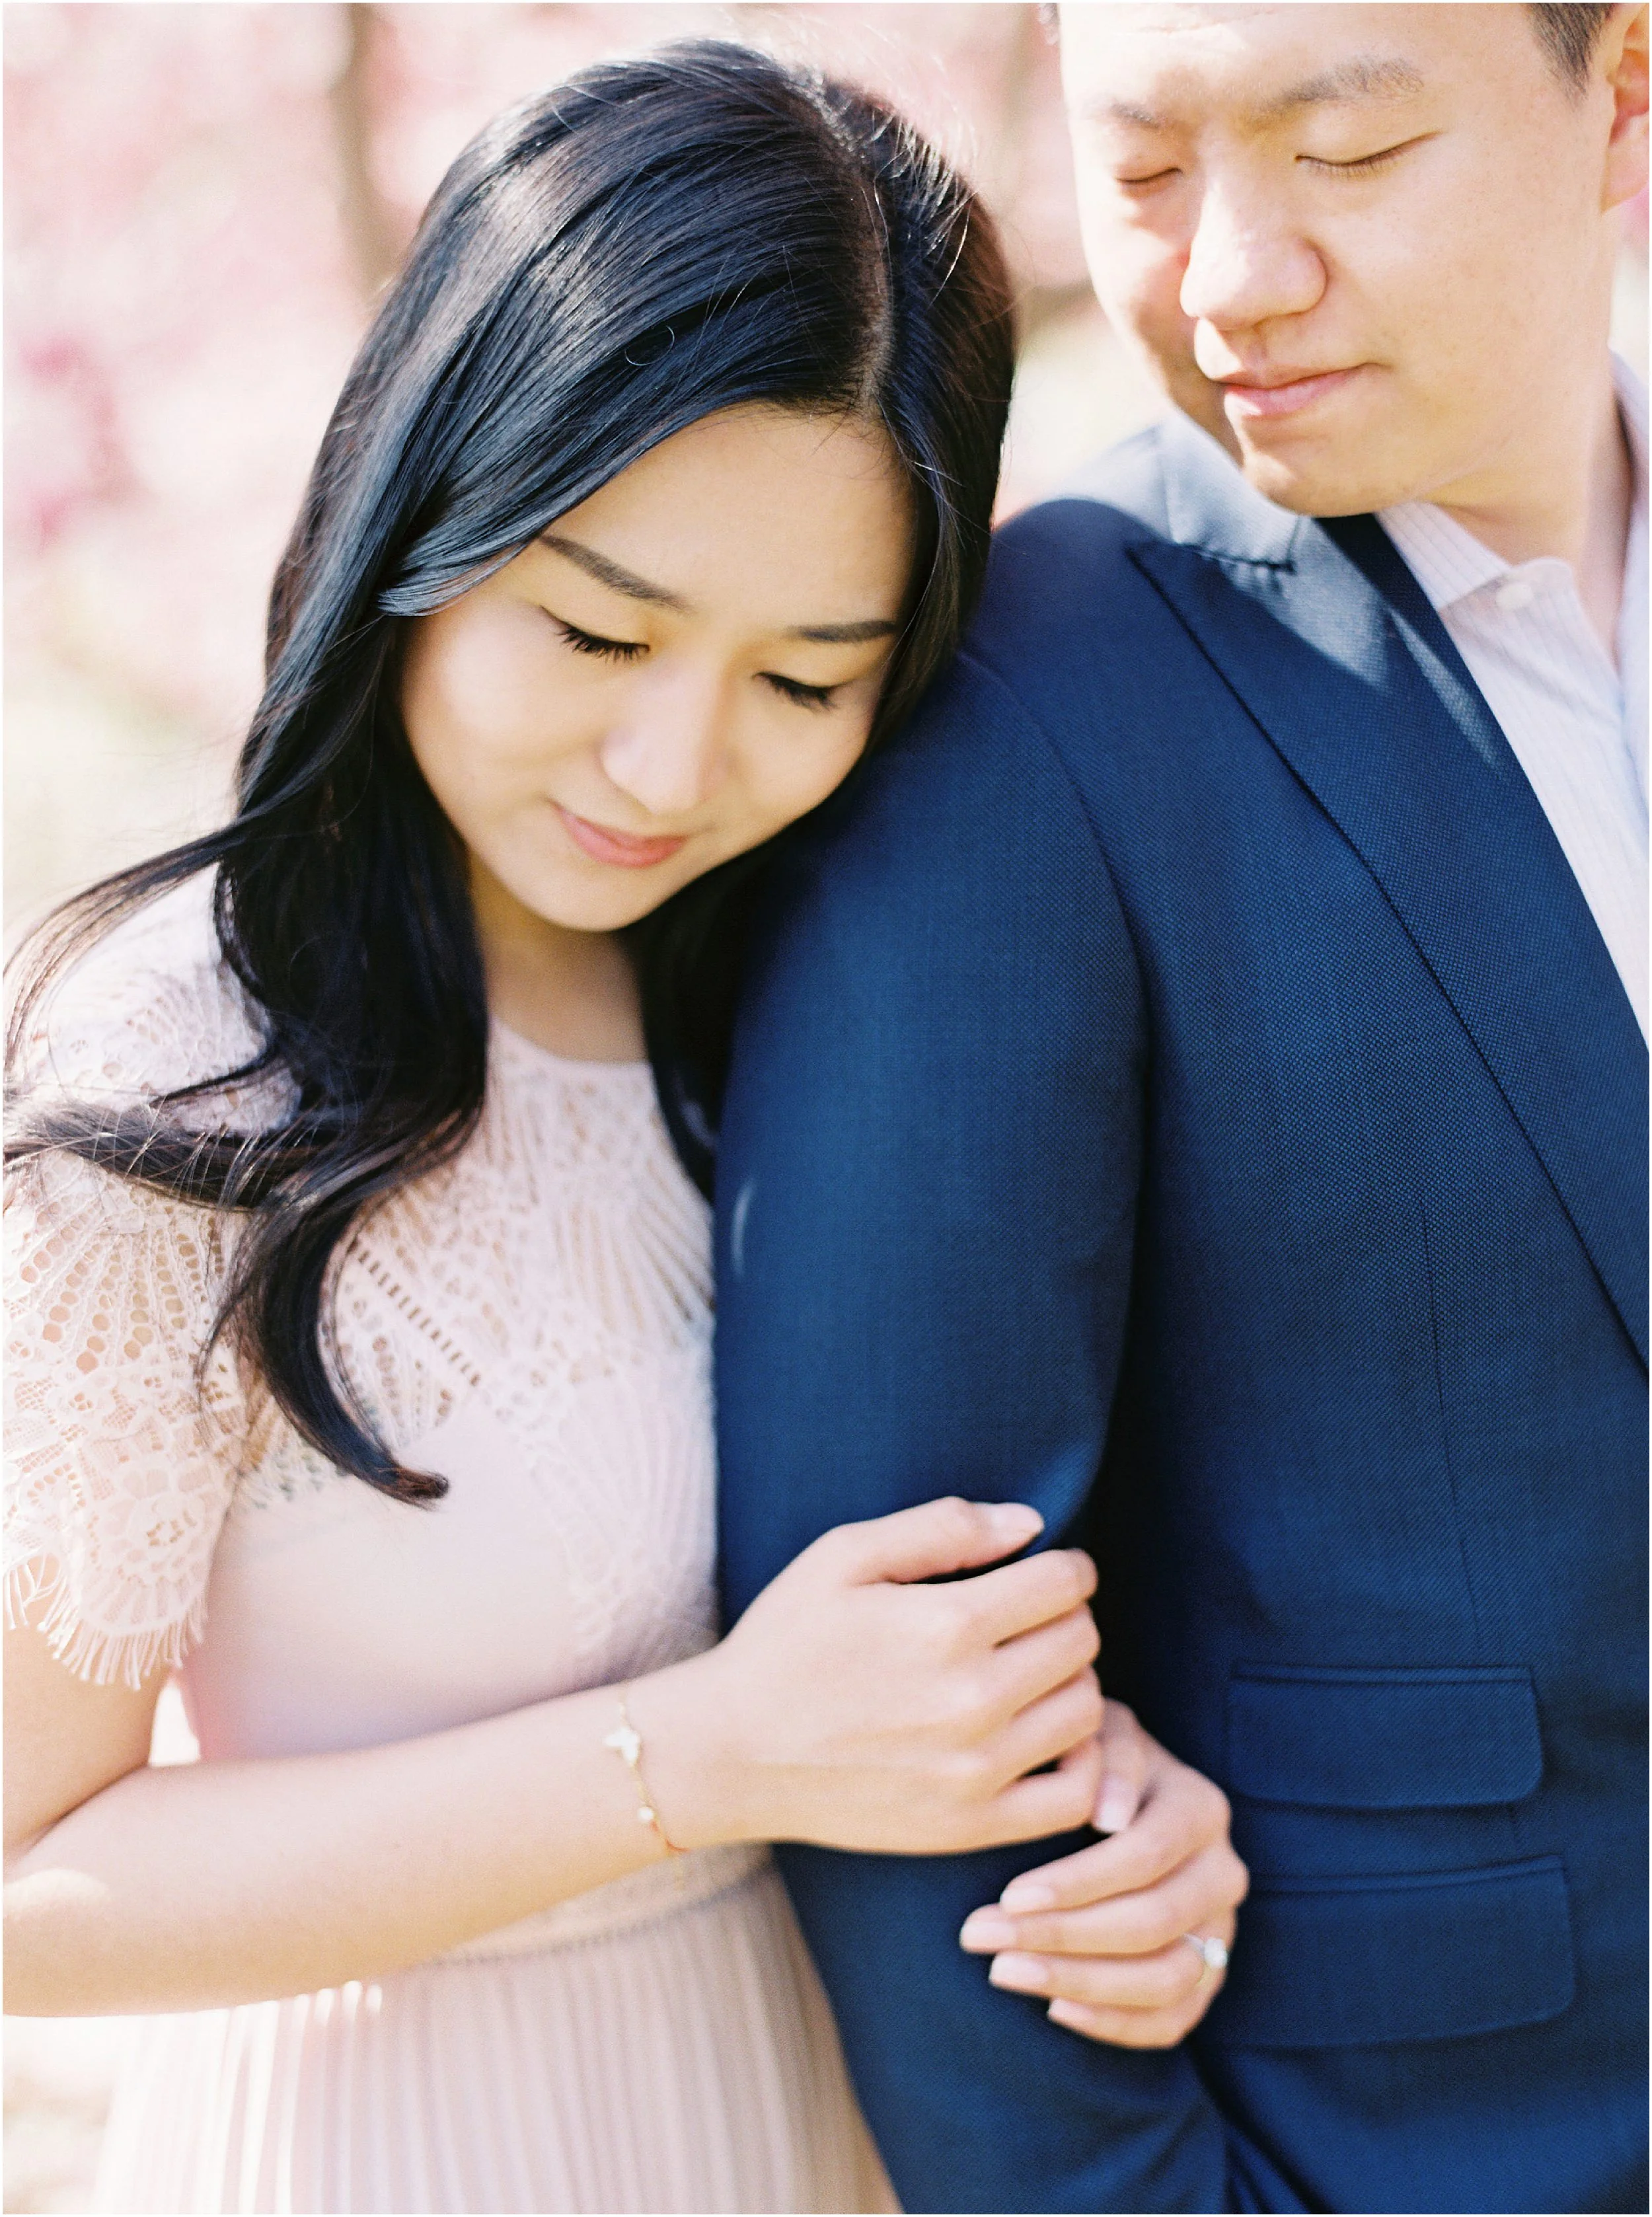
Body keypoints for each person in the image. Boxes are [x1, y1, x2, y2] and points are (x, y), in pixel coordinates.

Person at [1, 44, 1250, 2217]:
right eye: (595, 628)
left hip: (799, 2122)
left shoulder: (833, 995)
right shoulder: (187, 1069)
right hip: (393, 2153)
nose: (667, 765)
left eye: (804, 680)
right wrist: (703, 1759)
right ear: (421, 511)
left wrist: (1092, 1798)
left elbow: (895, 1603)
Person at [712, 5, 1648, 2212]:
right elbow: (904, 1675)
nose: (1225, 275)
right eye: (1141, 176)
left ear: (1619, 95)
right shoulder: (1019, 700)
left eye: (1345, 151)